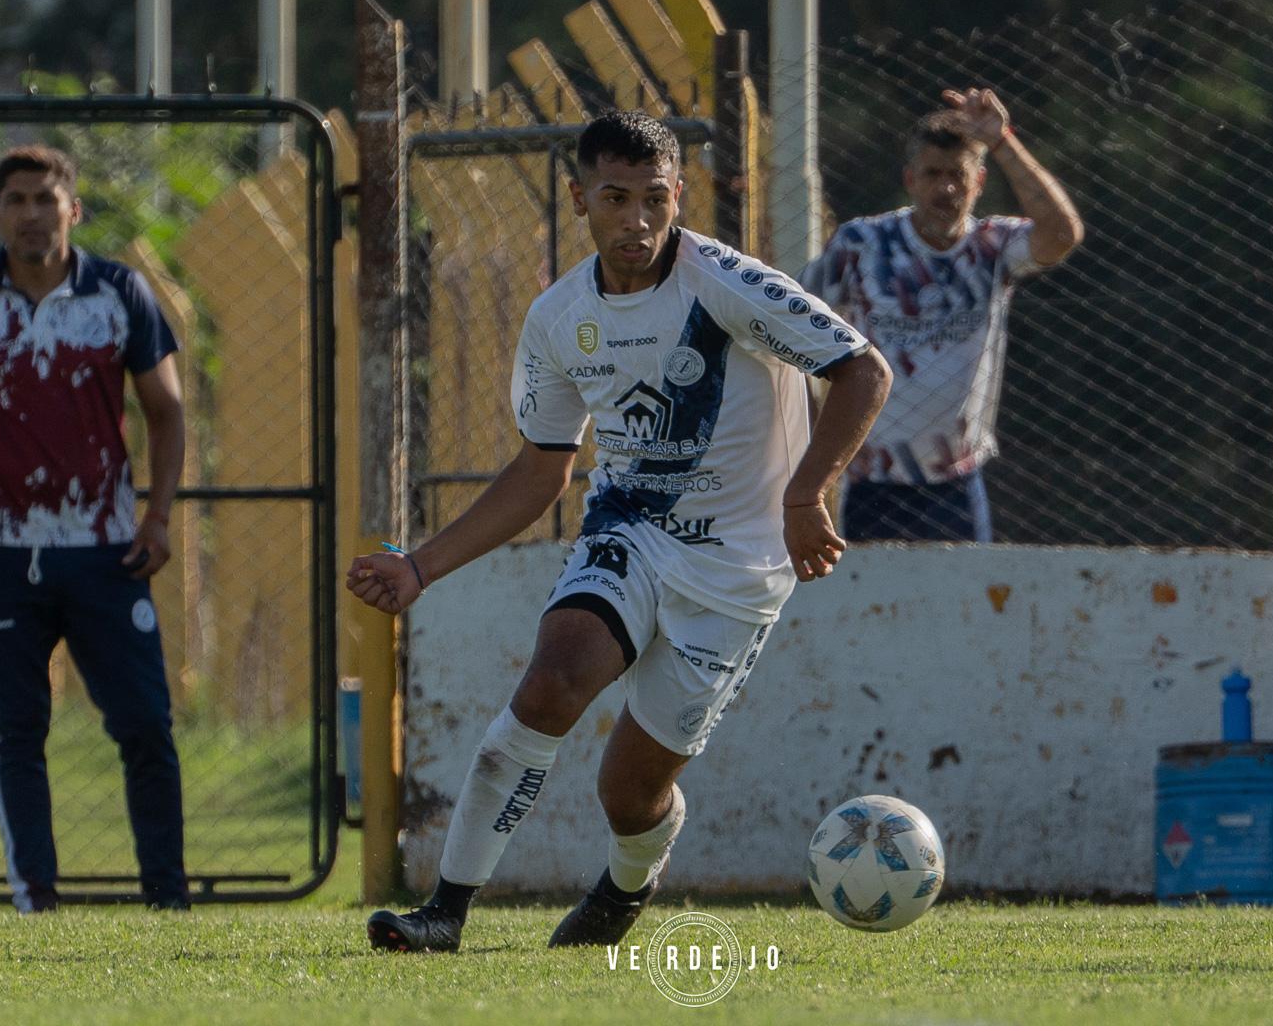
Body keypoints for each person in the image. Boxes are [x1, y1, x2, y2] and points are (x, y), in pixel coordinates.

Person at [348, 111, 892, 952]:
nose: (636, 219)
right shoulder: (559, 316)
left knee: (629, 794)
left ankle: (624, 889)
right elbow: (541, 470)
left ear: (679, 196)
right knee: (549, 685)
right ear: (579, 199)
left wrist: (804, 495)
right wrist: (421, 567)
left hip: (738, 570)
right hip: (629, 532)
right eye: (615, 198)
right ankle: (442, 914)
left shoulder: (726, 283)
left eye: (654, 198)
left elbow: (863, 369)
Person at [0, 145, 191, 912]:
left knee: (145, 726)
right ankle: (37, 900)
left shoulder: (120, 293)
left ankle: (167, 896)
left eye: (45, 199)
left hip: (105, 548)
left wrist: (158, 516)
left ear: (73, 210)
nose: (32, 213)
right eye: (17, 200)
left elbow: (167, 411)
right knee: (19, 731)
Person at [800, 88, 1084, 542]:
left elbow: (1062, 233)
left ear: (979, 183)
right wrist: (813, 425)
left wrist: (1001, 140)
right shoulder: (862, 245)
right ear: (911, 179)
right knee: (870, 608)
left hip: (956, 482)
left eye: (958, 174)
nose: (946, 188)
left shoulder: (991, 248)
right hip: (874, 479)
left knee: (969, 608)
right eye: (933, 174)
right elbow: (789, 324)